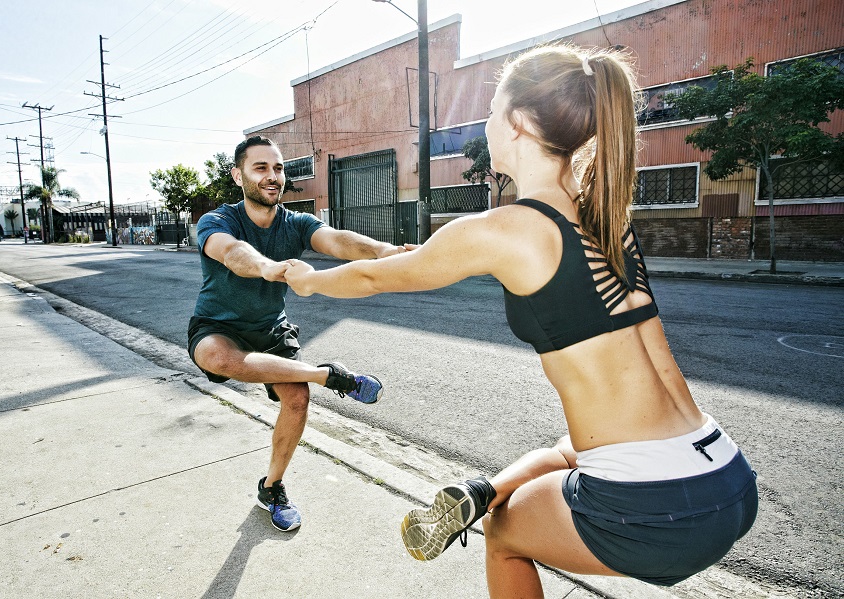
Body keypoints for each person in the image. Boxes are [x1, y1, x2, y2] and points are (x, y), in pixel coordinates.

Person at [285, 44, 758, 595]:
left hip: (658, 507)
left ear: (517, 123)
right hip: (724, 474)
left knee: (504, 535)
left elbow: (371, 278)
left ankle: (487, 505)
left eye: (489, 111)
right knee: (568, 449)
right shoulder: (607, 220)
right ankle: (483, 488)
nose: (483, 124)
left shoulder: (505, 228)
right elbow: (413, 258)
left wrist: (310, 280)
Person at [189, 135, 413, 532]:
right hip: (218, 326)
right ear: (237, 175)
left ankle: (271, 487)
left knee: (296, 399)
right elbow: (230, 252)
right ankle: (329, 374)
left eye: (277, 168)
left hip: (270, 329)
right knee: (216, 358)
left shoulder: (295, 223)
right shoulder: (218, 220)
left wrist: (382, 249)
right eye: (261, 168)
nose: (273, 177)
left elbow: (336, 240)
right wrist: (265, 267)